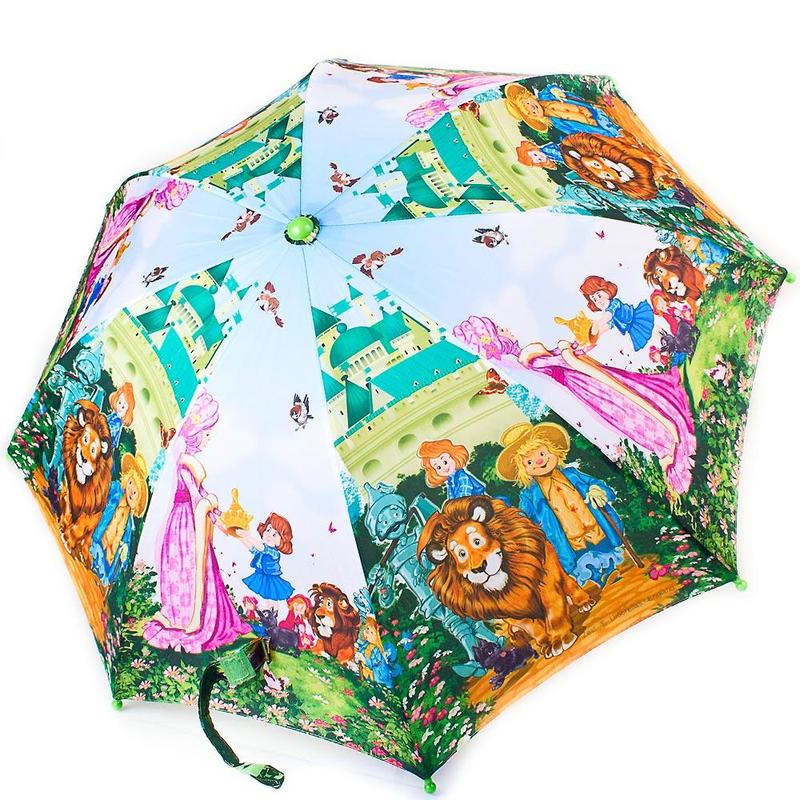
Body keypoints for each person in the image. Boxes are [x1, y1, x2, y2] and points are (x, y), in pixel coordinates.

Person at [143, 390, 250, 653]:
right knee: (185, 567)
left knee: (191, 568)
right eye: (207, 432)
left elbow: (201, 496)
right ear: (196, 432)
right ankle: (184, 616)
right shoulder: (185, 464)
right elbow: (196, 497)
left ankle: (188, 614)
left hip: (188, 521)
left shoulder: (189, 463)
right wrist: (210, 503)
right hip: (184, 525)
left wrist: (221, 520)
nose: (209, 438)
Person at [496, 422, 625, 586]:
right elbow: (524, 520)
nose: (539, 461)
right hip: (567, 540)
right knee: (582, 562)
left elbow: (598, 485)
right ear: (523, 470)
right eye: (529, 462)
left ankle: (610, 571)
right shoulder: (529, 495)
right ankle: (595, 579)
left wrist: (597, 490)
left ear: (553, 450)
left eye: (542, 453)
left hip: (596, 528)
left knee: (605, 551)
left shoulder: (572, 474)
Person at [417, 439, 485, 499]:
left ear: (453, 456)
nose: (444, 468)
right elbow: (451, 499)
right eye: (438, 467)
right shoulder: (450, 482)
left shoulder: (461, 476)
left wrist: (455, 506)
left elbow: (464, 495)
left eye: (445, 462)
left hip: (480, 503)